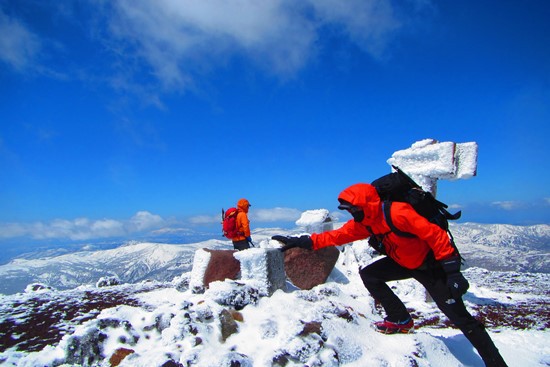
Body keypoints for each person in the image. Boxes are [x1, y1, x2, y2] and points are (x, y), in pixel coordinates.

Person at [272, 183, 508, 367]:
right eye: (349, 210)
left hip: (431, 267)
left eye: (353, 208)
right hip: (404, 262)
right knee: (370, 275)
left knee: (460, 319)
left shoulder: (398, 213)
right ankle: (401, 319)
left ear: (366, 204)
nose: (352, 213)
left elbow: (435, 235)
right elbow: (336, 236)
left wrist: (452, 272)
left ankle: (496, 362)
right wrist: (301, 241)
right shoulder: (366, 222)